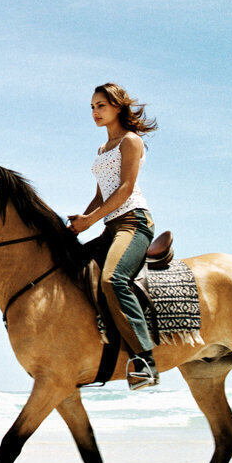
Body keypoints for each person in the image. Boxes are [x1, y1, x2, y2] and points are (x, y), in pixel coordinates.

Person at [67, 83, 160, 390]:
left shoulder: (130, 141)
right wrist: (80, 223)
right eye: (92, 107)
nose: (95, 112)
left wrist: (90, 221)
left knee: (112, 280)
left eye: (101, 106)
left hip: (134, 224)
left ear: (118, 106)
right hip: (110, 226)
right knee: (71, 266)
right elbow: (100, 193)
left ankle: (145, 360)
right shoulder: (103, 149)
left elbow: (125, 189)